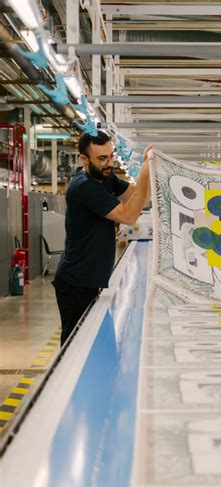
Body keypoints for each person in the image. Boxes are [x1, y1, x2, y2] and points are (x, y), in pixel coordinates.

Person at [53, 131, 152, 345]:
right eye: (102, 158)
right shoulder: (84, 187)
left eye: (110, 156)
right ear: (84, 159)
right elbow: (129, 216)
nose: (109, 163)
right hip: (75, 283)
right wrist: (144, 172)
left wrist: (153, 171)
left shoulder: (105, 177)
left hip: (88, 279)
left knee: (87, 340)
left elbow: (140, 199)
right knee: (73, 345)